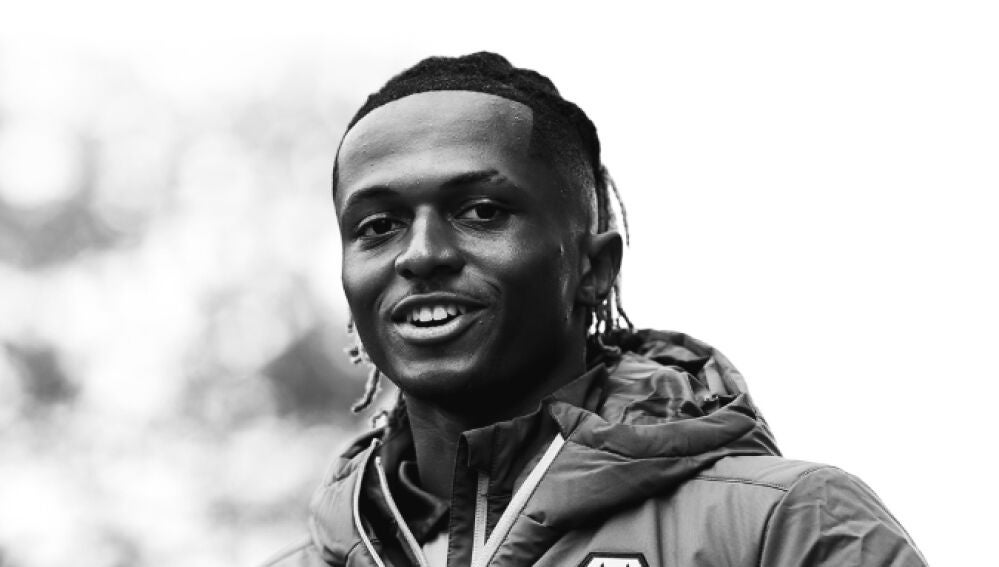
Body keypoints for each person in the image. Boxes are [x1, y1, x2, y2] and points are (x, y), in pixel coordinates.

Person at [264, 52, 926, 567]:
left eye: (481, 211)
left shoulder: (786, 523)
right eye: (378, 226)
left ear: (594, 268)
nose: (422, 253)